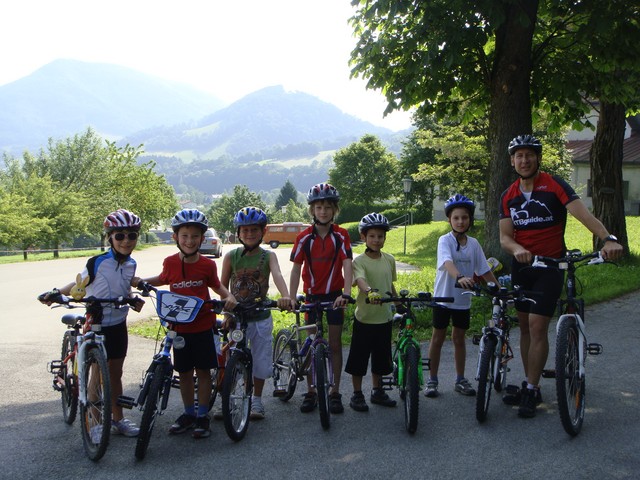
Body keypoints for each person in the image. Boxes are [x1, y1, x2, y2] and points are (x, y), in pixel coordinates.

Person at [499, 134, 623, 418]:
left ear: (537, 158)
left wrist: (608, 238)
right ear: (512, 161)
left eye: (529, 155)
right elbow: (505, 237)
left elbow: (584, 216)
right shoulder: (508, 195)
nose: (524, 160)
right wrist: (518, 250)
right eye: (519, 156)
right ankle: (531, 382)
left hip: (551, 265)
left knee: (537, 326)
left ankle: (531, 387)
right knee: (525, 326)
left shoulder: (554, 185)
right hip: (523, 267)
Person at [39, 209, 145, 438]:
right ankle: (94, 422)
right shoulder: (97, 262)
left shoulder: (131, 264)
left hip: (119, 323)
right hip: (97, 323)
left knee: (115, 374)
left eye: (132, 235)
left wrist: (132, 299)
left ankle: (118, 419)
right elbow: (79, 284)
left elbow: (125, 286)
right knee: (98, 375)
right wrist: (56, 293)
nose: (126, 241)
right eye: (120, 236)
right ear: (110, 238)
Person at [140, 208, 236, 438]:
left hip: (202, 326)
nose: (190, 241)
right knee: (183, 372)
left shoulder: (207, 265)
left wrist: (229, 297)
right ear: (175, 237)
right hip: (179, 327)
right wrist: (140, 282)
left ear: (202, 239)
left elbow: (217, 286)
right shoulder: (170, 262)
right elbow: (163, 279)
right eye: (184, 236)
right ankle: (188, 413)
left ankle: (202, 415)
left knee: (203, 372)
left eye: (195, 236)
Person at [219, 207, 294, 420]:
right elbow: (222, 286)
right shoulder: (231, 257)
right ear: (238, 233)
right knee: (230, 359)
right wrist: (226, 312)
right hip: (237, 317)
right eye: (245, 230)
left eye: (254, 230)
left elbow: (277, 275)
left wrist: (286, 296)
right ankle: (228, 400)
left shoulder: (268, 256)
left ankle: (257, 400)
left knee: (260, 361)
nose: (249, 234)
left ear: (263, 232)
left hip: (260, 316)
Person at [424, 195, 498, 399]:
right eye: (456, 218)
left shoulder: (474, 244)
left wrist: (499, 289)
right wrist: (459, 277)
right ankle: (432, 380)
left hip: (463, 300)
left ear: (470, 219)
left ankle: (460, 379)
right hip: (443, 298)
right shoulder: (444, 240)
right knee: (437, 338)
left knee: (459, 339)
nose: (460, 221)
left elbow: (484, 270)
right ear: (449, 219)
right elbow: (447, 262)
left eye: (464, 217)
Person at [289, 182, 353, 414]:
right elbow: (296, 268)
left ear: (334, 209)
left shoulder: (341, 235)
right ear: (312, 210)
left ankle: (335, 392)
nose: (323, 211)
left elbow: (348, 264)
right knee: (311, 344)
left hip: (335, 296)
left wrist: (346, 293)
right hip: (312, 296)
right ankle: (311, 391)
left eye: (327, 207)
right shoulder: (304, 237)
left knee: (334, 344)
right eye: (318, 207)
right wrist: (291, 296)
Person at [345, 213, 398, 412]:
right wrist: (369, 291)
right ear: (364, 237)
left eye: (380, 236)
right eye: (372, 236)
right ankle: (357, 394)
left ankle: (377, 391)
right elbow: (360, 279)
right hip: (365, 319)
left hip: (384, 318)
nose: (376, 240)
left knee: (381, 358)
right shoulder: (359, 261)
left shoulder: (389, 259)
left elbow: (390, 284)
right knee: (359, 358)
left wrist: (399, 302)